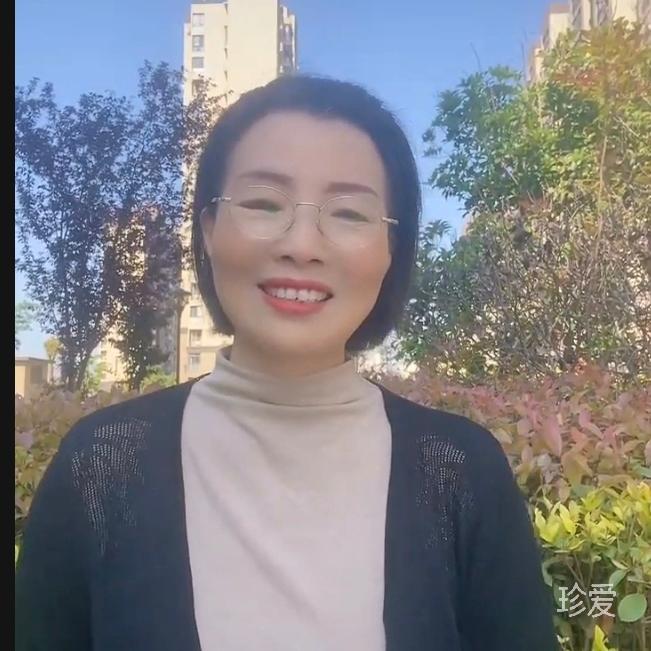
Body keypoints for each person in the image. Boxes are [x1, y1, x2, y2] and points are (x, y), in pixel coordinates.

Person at [15, 75, 559, 651]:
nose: (302, 245)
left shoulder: (459, 472)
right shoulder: (101, 466)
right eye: (262, 204)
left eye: (349, 213)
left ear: (391, 250)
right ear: (208, 229)